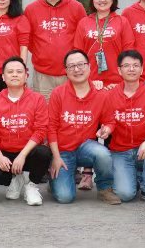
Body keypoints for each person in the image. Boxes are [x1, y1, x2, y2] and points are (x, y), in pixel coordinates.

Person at [48, 50, 119, 205]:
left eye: (81, 65)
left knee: (103, 153)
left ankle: (105, 188)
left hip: (85, 147)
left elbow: (110, 121)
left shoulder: (101, 94)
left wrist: (107, 129)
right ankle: (53, 180)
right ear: (66, 71)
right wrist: (56, 157)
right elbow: (51, 128)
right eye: (71, 66)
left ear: (89, 67)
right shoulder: (58, 93)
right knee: (65, 197)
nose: (77, 69)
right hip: (63, 151)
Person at [0, 56, 52, 206]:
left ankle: (31, 185)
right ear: (3, 76)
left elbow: (40, 131)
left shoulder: (37, 99)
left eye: (19, 72)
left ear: (26, 76)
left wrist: (22, 155)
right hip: (6, 153)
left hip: (29, 152)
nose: (15, 74)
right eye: (10, 72)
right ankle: (16, 178)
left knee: (44, 153)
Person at [105, 50, 145, 204]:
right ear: (119, 70)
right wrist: (106, 129)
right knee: (125, 194)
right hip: (121, 151)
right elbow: (109, 121)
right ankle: (135, 176)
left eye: (135, 65)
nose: (131, 69)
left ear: (142, 69)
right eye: (126, 66)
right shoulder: (110, 95)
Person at [24, 0, 86, 99]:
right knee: (43, 110)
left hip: (71, 72)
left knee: (70, 109)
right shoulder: (31, 10)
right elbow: (28, 40)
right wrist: (42, 53)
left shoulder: (77, 7)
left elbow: (83, 37)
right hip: (42, 75)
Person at [74, 0, 135, 88]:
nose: (102, 0)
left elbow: (129, 52)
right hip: (90, 81)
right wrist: (86, 80)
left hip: (117, 82)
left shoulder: (122, 21)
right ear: (92, 0)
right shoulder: (84, 22)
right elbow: (78, 53)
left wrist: (123, 81)